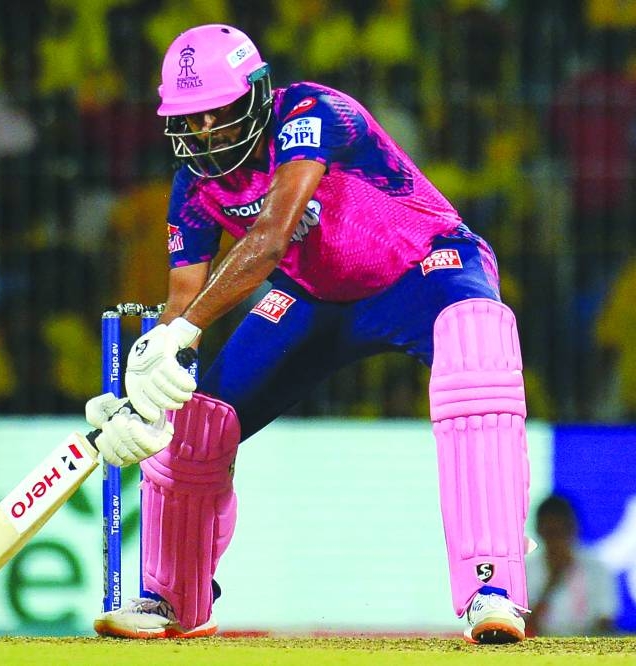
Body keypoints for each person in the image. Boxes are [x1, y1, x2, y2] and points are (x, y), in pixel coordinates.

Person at [83, 24, 532, 644]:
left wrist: (178, 332)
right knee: (195, 425)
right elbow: (184, 304)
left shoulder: (312, 112)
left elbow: (270, 237)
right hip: (313, 296)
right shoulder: (194, 186)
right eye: (192, 118)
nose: (207, 131)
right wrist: (147, 392)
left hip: (424, 267)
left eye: (219, 111)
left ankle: (494, 590)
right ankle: (173, 601)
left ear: (257, 93)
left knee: (477, 346)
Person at [526, 495, 617, 637]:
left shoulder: (596, 568)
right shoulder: (526, 569)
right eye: (551, 533)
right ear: (539, 531)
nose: (557, 540)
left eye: (562, 532)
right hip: (539, 644)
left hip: (587, 645)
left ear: (573, 529)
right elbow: (524, 626)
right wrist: (553, 581)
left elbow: (606, 619)